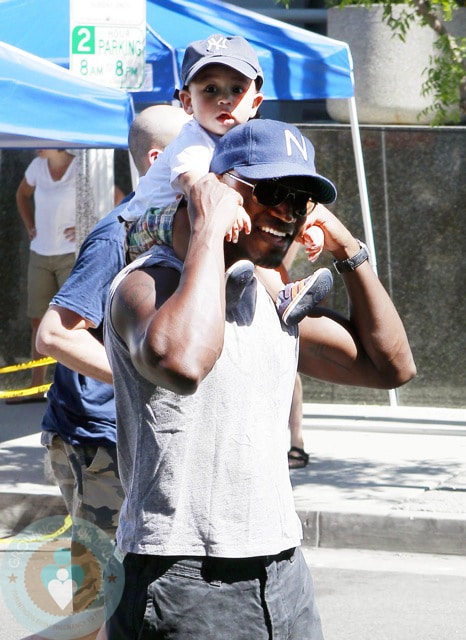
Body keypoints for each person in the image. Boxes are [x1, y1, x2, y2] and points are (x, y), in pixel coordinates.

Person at [103, 119, 416, 638]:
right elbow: (182, 364)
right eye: (270, 192)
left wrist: (349, 250)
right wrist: (207, 226)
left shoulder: (270, 301)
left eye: (299, 202)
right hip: (180, 579)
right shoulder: (148, 285)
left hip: (284, 573)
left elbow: (392, 368)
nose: (286, 213)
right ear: (220, 189)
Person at [35, 106, 191, 625]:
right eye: (189, 151)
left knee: (120, 600)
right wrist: (137, 376)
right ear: (157, 159)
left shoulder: (162, 228)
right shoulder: (116, 234)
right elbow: (54, 334)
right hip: (93, 439)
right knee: (95, 602)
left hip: (115, 434)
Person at [123, 33, 334, 325]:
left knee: (252, 224)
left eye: (236, 89)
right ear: (187, 102)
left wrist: (303, 226)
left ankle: (282, 294)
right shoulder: (193, 139)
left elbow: (274, 196)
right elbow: (196, 185)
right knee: (193, 214)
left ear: (255, 102)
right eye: (210, 89)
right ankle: (219, 281)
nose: (224, 98)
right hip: (144, 227)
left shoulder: (248, 143)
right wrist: (231, 204)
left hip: (199, 225)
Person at [9, 149, 77, 403]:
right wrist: (29, 225)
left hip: (71, 255)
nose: (37, 144)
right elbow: (21, 195)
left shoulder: (82, 167)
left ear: (60, 142)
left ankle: (74, 391)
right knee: (38, 321)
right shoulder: (37, 166)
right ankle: (37, 386)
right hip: (39, 253)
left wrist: (85, 225)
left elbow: (115, 198)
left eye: (45, 139)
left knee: (71, 322)